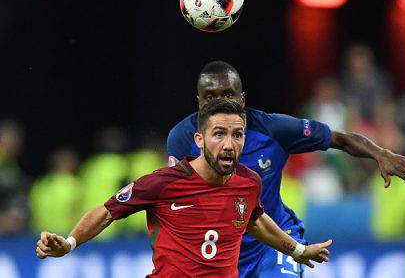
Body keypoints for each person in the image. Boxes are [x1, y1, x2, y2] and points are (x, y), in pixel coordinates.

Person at [167, 60, 405, 278]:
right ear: (199, 102)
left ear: (242, 98)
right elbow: (173, 203)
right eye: (210, 97)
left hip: (275, 240)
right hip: (221, 248)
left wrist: (381, 154)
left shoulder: (276, 130)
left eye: (227, 94)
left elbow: (339, 138)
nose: (219, 102)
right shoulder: (181, 139)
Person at [36, 99, 333, 278]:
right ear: (199, 140)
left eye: (237, 135)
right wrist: (70, 243)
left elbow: (254, 220)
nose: (229, 144)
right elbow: (107, 212)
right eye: (219, 134)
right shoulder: (164, 183)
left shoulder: (248, 183)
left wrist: (297, 250)